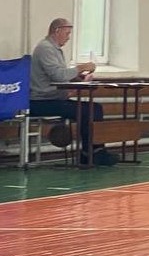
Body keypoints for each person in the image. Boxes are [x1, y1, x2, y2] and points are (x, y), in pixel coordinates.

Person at [28, 18, 112, 166]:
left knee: (95, 108)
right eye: (67, 33)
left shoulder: (54, 49)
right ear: (57, 31)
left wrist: (77, 78)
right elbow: (58, 75)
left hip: (52, 98)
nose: (68, 37)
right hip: (41, 101)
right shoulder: (45, 49)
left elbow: (60, 74)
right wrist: (81, 67)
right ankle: (90, 153)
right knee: (88, 111)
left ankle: (94, 150)